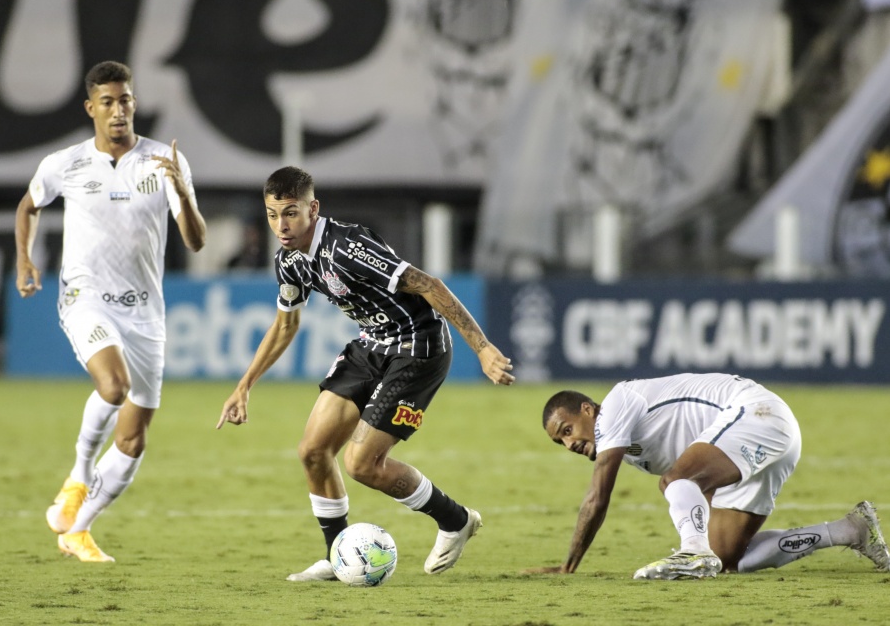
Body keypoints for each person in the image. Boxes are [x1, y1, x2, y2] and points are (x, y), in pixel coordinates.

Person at [217, 166, 514, 581]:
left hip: (417, 346)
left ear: (312, 209)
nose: (280, 226)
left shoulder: (347, 246)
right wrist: (244, 386)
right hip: (372, 344)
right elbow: (286, 324)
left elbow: (428, 284)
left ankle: (456, 520)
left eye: (290, 213)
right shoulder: (289, 260)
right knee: (313, 451)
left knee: (362, 463)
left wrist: (482, 349)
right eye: (272, 214)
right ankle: (337, 556)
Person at [15, 60, 206, 563]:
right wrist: (24, 257)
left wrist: (182, 192)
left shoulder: (164, 161)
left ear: (134, 104)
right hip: (86, 296)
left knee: (134, 437)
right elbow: (29, 206)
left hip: (146, 312)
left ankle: (78, 529)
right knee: (114, 386)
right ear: (90, 108)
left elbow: (196, 240)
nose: (118, 110)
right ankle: (78, 475)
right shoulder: (66, 163)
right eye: (107, 102)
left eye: (125, 100)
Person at [528, 372, 890, 579]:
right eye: (560, 441)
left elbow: (597, 497)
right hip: (772, 436)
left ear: (588, 410)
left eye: (567, 429)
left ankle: (692, 553)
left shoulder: (616, 406)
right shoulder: (629, 448)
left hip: (755, 413)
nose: (569, 443)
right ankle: (850, 530)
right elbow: (706, 480)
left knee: (673, 480)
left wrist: (568, 565)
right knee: (732, 560)